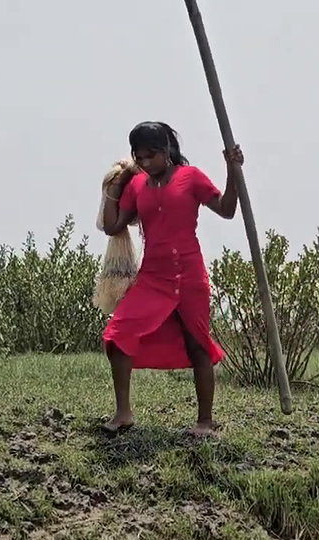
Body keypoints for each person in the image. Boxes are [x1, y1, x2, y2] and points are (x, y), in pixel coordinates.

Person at [99, 121, 242, 438]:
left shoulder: (191, 178)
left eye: (151, 155)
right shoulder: (137, 186)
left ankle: (205, 421)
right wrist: (112, 187)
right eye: (140, 157)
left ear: (167, 151)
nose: (145, 162)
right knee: (117, 334)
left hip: (190, 276)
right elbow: (112, 226)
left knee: (198, 346)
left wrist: (233, 170)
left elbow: (228, 209)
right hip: (152, 278)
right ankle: (123, 413)